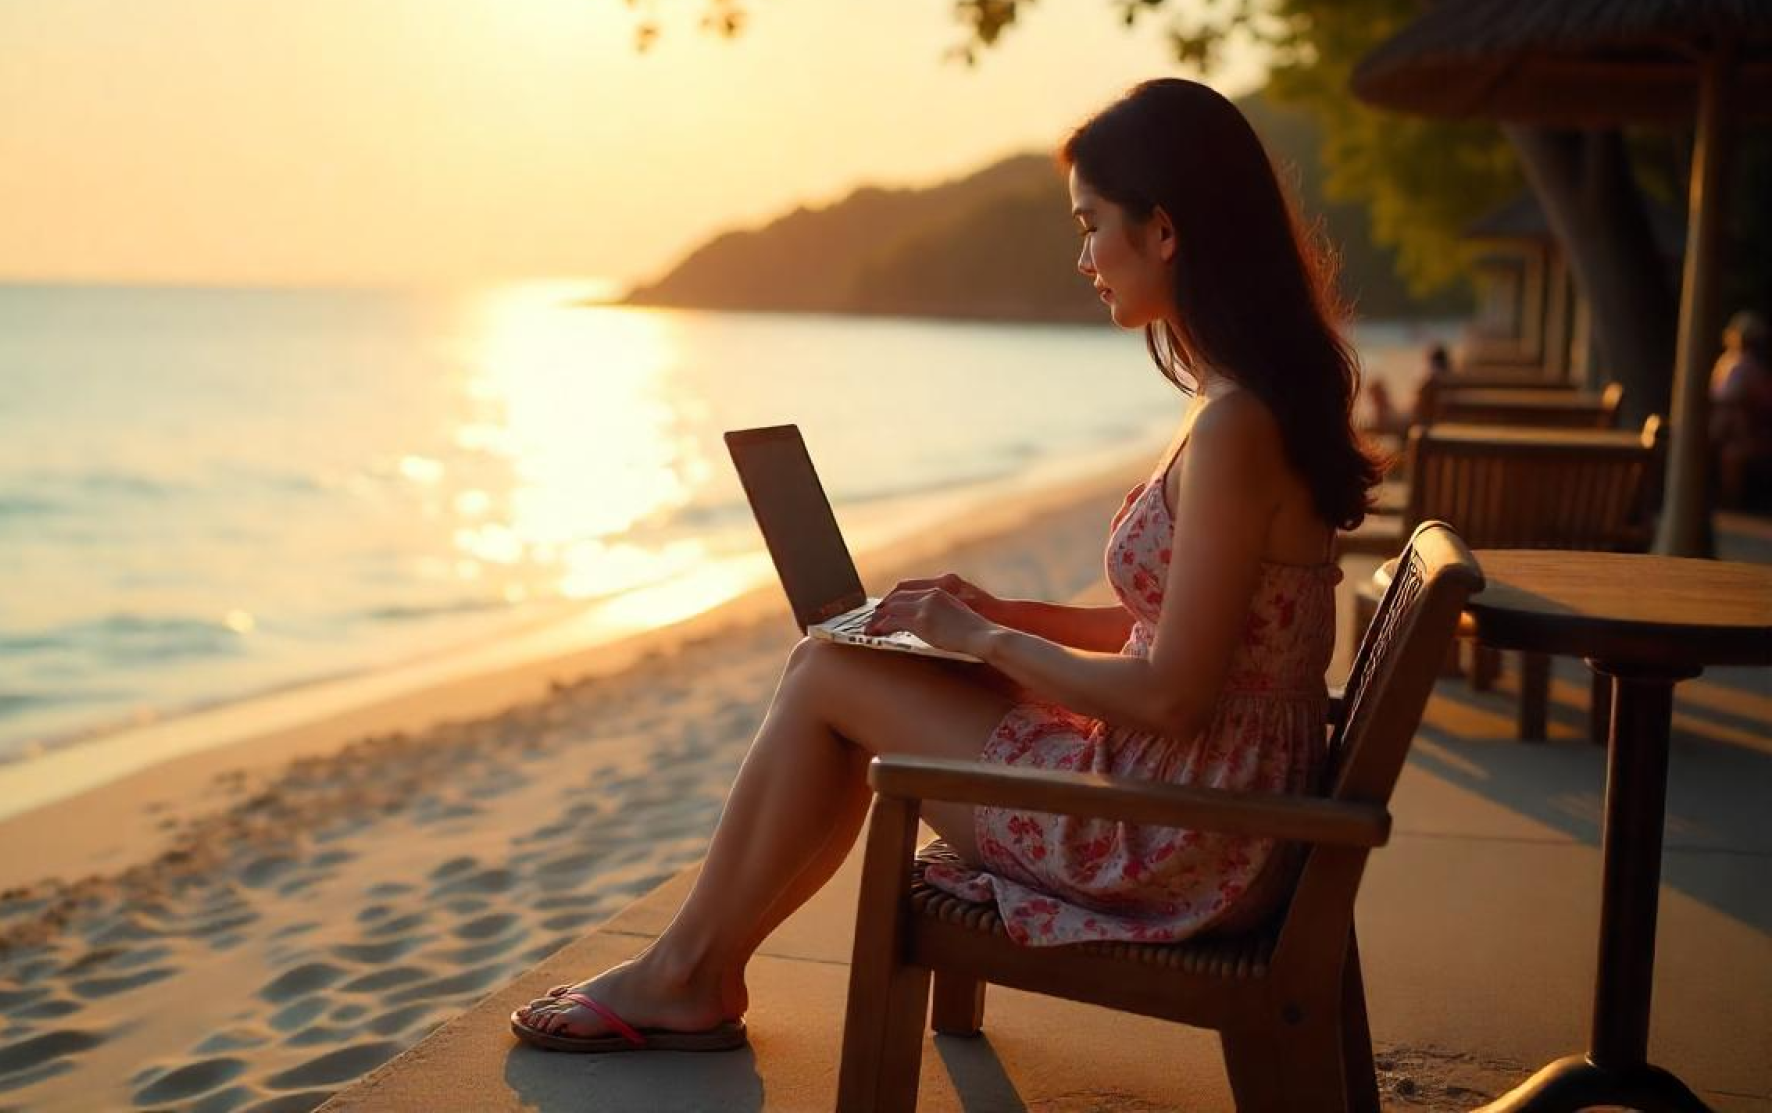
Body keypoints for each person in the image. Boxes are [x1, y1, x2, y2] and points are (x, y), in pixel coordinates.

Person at [511, 78, 1385, 1052]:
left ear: (1165, 230)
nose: (1084, 257)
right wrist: (998, 610)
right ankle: (695, 969)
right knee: (845, 672)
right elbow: (1174, 633)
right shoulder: (1245, 404)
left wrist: (984, 640)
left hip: (1175, 840)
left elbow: (1172, 695)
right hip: (1211, 812)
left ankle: (686, 975)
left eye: (1092, 225)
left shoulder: (1235, 426)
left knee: (828, 672)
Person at [1711, 309, 1772, 510]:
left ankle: (1730, 503)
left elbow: (1759, 403)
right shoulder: (1725, 362)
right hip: (1728, 427)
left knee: (1731, 443)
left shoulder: (1752, 367)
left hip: (1746, 433)